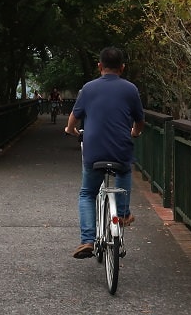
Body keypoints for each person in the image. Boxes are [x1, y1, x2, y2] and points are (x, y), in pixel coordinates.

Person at [64, 46, 145, 259]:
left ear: (99, 66)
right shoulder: (130, 89)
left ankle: (87, 240)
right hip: (120, 149)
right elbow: (139, 120)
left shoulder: (88, 89)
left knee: (87, 193)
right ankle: (124, 212)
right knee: (124, 170)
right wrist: (135, 132)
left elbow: (74, 118)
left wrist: (71, 130)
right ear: (123, 68)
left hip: (94, 152)